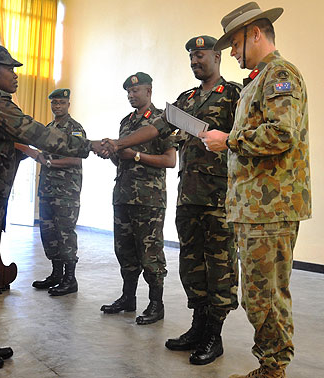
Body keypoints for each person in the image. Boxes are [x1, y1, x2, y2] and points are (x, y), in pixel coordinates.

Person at [0, 45, 106, 371]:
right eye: (10, 70)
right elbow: (41, 135)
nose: (15, 75)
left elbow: (13, 143)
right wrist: (92, 146)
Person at [200, 3, 311, 378]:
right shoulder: (258, 81)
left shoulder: (280, 75)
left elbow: (282, 133)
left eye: (234, 43)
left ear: (256, 34)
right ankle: (269, 366)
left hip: (272, 208)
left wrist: (227, 140)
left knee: (266, 296)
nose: (231, 52)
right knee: (258, 296)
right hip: (255, 209)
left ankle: (273, 369)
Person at [159, 35, 240, 366]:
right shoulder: (187, 98)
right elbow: (161, 127)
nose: (195, 60)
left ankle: (214, 335)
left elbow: (245, 136)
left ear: (217, 57)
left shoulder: (234, 94)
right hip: (188, 197)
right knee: (192, 264)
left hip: (219, 199)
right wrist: (120, 145)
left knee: (219, 267)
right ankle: (197, 326)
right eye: (191, 55)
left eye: (201, 54)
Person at [100, 72, 176, 325]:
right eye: (129, 92)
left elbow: (170, 160)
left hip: (149, 199)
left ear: (149, 91)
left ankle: (156, 304)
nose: (132, 95)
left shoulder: (161, 120)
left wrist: (135, 156)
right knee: (125, 251)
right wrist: (112, 153)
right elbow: (121, 156)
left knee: (150, 254)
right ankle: (128, 298)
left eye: (136, 91)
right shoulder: (126, 121)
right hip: (122, 195)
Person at [31, 88, 85, 296]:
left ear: (68, 104)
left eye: (61, 103)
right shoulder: (49, 127)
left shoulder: (75, 129)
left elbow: (77, 158)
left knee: (65, 233)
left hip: (66, 191)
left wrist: (50, 162)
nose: (57, 106)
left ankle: (70, 279)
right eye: (54, 103)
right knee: (48, 232)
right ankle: (56, 274)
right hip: (47, 189)